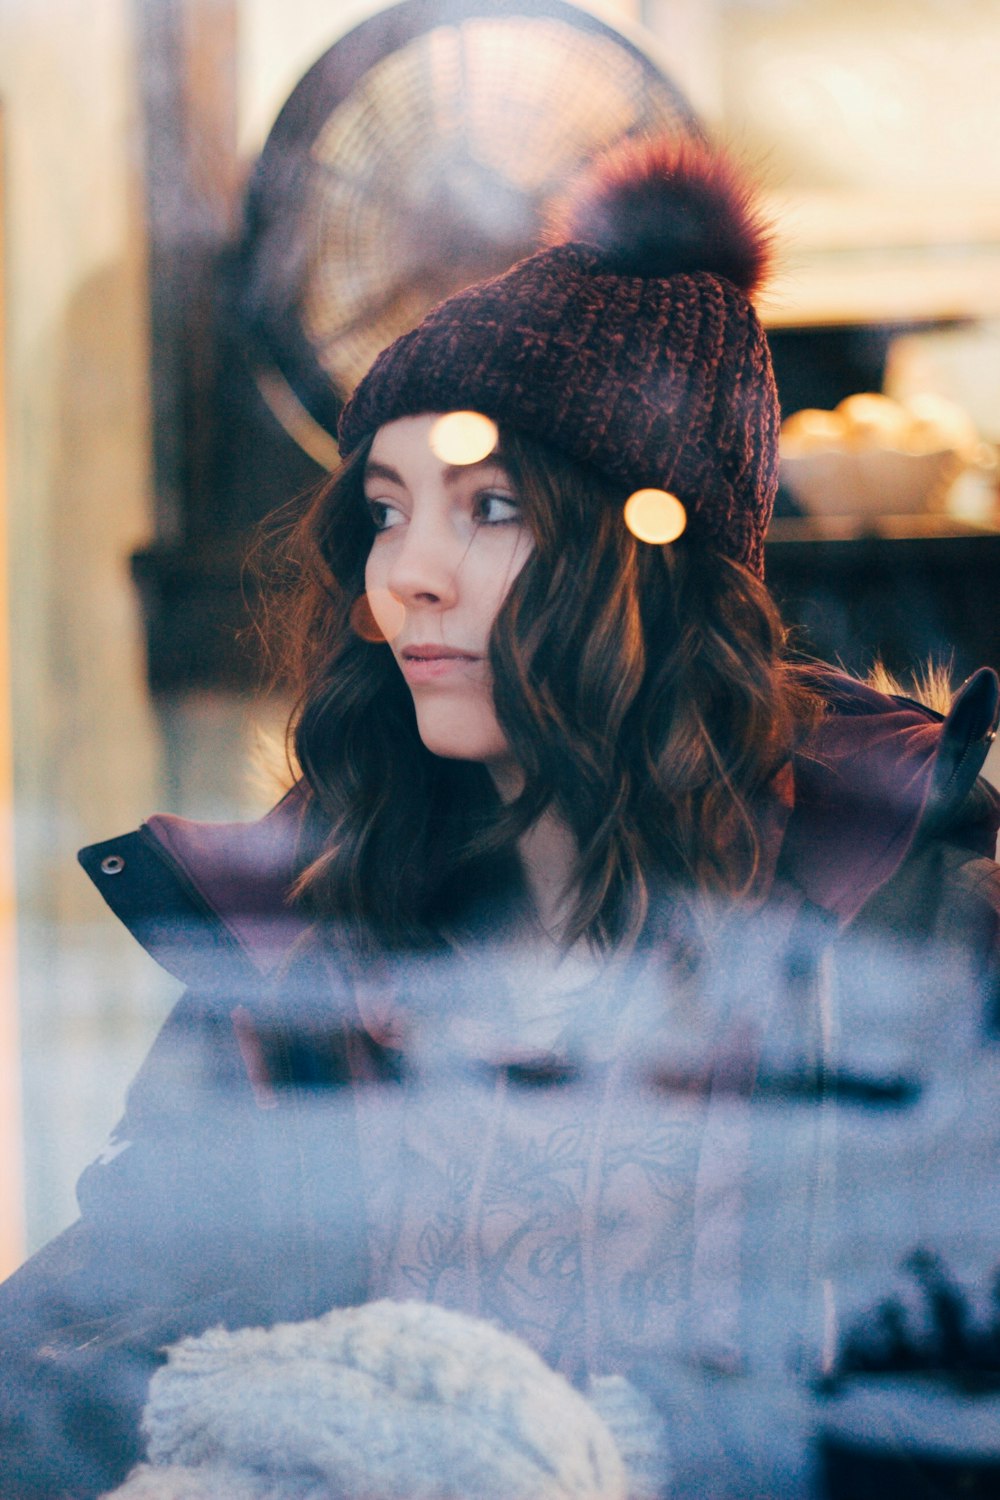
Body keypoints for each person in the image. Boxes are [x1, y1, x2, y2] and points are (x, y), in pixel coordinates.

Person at [2, 133, 999, 1500]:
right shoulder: (311, 923)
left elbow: (956, 1394)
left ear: (649, 560)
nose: (407, 573)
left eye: (490, 509)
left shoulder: (900, 901)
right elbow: (104, 1315)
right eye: (387, 509)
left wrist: (641, 1450)